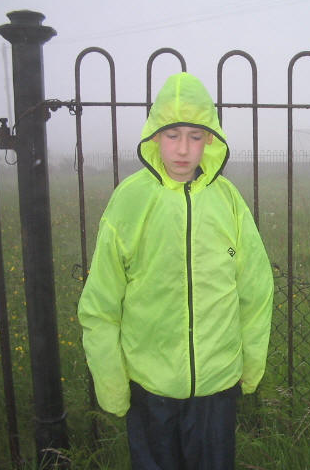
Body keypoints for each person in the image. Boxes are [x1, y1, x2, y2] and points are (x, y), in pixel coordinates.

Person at [77, 72, 274, 469]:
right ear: (154, 138)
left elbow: (255, 290)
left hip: (216, 389)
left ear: (211, 140)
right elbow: (100, 303)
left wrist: (250, 365)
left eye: (195, 136)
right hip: (150, 391)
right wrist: (113, 384)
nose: (183, 149)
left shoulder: (229, 202)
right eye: (172, 135)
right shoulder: (129, 201)